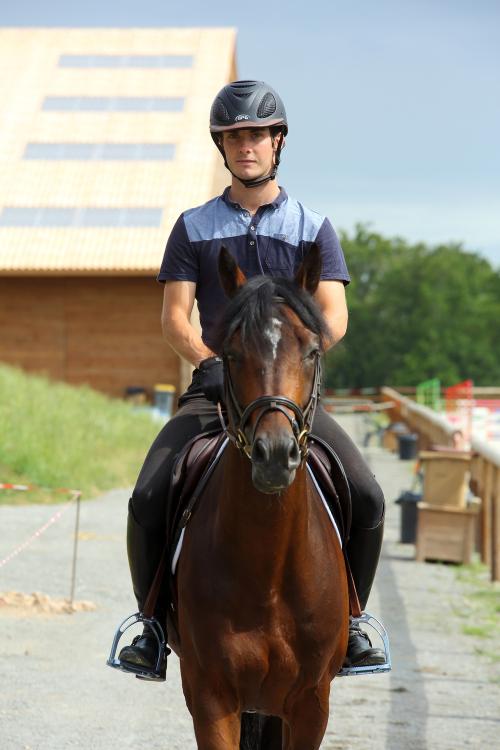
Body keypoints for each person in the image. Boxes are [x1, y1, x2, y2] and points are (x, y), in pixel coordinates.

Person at [116, 80, 386, 676]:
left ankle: (358, 621)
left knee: (366, 492)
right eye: (234, 137)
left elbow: (333, 316)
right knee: (147, 497)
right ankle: (152, 625)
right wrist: (212, 363)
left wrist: (293, 366)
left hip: (291, 399)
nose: (246, 147)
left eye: (257, 136)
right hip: (215, 391)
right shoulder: (193, 227)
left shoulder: (314, 227)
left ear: (278, 141)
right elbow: (175, 319)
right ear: (223, 146)